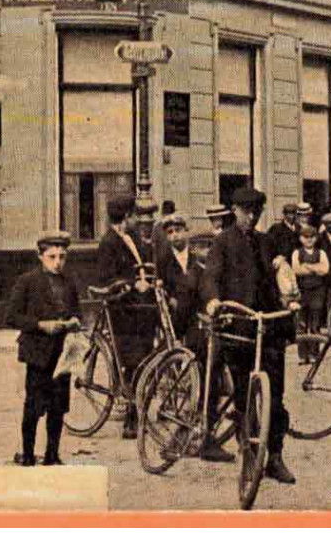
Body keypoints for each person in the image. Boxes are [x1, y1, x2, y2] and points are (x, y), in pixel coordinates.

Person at [196, 186, 296, 485]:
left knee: (276, 399)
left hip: (267, 328)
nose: (251, 217)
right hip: (239, 329)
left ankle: (275, 457)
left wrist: (289, 295)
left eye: (256, 212)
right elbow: (210, 276)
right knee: (243, 399)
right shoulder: (223, 243)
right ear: (235, 211)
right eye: (246, 211)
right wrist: (213, 301)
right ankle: (249, 455)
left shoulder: (267, 242)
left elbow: (280, 276)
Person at [4, 230, 82, 467]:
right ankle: (28, 454)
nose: (58, 262)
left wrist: (75, 322)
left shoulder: (69, 282)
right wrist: (40, 325)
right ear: (40, 256)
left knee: (58, 407)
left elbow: (76, 311)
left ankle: (52, 454)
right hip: (38, 354)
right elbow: (11, 317)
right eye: (52, 257)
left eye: (62, 257)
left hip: (62, 355)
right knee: (34, 406)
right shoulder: (27, 281)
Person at [96, 195, 156, 439]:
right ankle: (131, 419)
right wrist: (133, 285)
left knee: (146, 358)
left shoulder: (131, 239)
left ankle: (138, 409)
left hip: (140, 308)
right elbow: (107, 278)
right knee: (133, 362)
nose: (138, 219)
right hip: (123, 311)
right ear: (126, 217)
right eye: (134, 215)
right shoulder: (108, 243)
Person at [155, 213, 202, 346]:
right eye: (170, 232)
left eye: (178, 230)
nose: (175, 235)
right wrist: (170, 298)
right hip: (176, 314)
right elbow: (161, 285)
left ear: (186, 232)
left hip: (197, 310)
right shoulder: (164, 260)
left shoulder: (196, 254)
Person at [292, 224, 331, 339]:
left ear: (316, 238)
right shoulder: (296, 253)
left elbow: (325, 270)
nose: (309, 239)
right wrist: (316, 268)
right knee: (302, 324)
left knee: (316, 324)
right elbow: (297, 270)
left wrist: (307, 266)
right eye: (305, 236)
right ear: (300, 238)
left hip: (318, 291)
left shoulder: (321, 253)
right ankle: (304, 355)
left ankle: (315, 354)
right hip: (302, 291)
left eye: (312, 236)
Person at [265, 202, 303, 266]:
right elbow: (270, 246)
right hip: (282, 262)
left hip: (297, 262)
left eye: (294, 213)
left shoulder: (299, 228)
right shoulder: (276, 228)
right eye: (289, 214)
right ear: (284, 215)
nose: (292, 217)